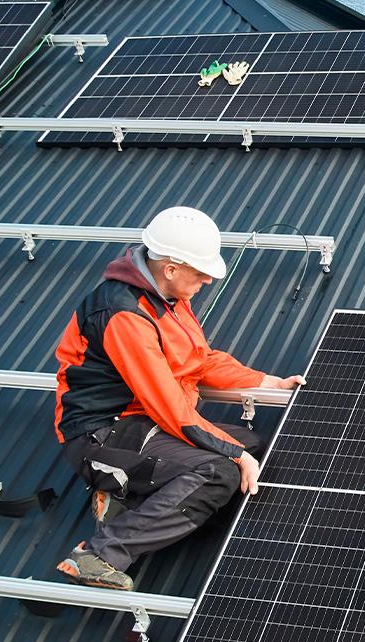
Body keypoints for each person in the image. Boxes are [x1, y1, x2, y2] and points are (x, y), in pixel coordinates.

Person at [51, 206, 303, 590]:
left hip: (140, 423)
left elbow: (196, 360)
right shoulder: (124, 315)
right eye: (200, 273)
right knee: (221, 472)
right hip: (101, 435)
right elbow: (168, 405)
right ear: (170, 267)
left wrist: (266, 382)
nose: (206, 280)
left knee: (251, 443)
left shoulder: (165, 297)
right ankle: (101, 555)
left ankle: (124, 498)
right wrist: (233, 455)